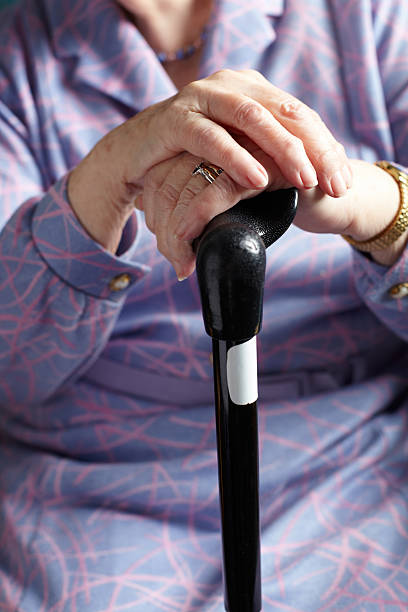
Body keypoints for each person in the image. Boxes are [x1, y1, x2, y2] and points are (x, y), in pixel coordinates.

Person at [0, 0, 408, 609]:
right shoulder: (15, 63)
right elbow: (11, 370)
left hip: (352, 453)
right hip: (97, 485)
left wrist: (370, 203)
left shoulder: (371, 17)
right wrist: (110, 173)